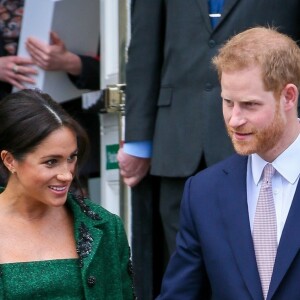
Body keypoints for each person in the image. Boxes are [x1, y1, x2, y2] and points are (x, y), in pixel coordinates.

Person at [117, 0, 300, 298]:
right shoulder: (200, 193)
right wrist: (139, 139)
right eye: (227, 103)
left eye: (250, 104)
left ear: (289, 97)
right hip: (180, 138)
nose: (234, 119)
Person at [0, 89, 135, 299]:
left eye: (71, 158)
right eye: (51, 162)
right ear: (10, 160)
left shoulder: (106, 227)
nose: (66, 175)